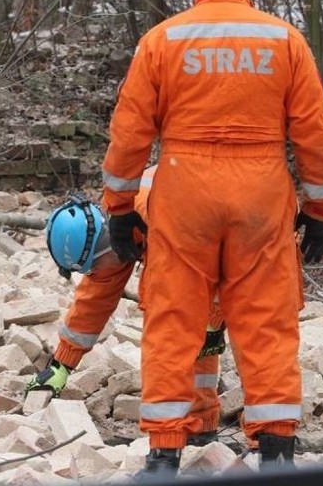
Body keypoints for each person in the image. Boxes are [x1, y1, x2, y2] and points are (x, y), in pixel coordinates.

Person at [101, 0, 323, 479]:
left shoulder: (163, 40)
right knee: (267, 321)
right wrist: (319, 211)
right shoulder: (285, 41)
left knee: (174, 318)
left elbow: (130, 134)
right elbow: (315, 136)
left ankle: (163, 456)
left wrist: (118, 209)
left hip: (184, 189)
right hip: (262, 191)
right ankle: (277, 455)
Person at [28, 166, 226, 448]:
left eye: (91, 268)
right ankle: (200, 431)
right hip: (213, 227)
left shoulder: (159, 220)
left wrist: (213, 321)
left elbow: (216, 266)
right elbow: (94, 299)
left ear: (100, 250)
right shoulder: (116, 228)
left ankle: (270, 443)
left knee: (184, 332)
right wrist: (61, 365)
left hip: (251, 233)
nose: (93, 275)